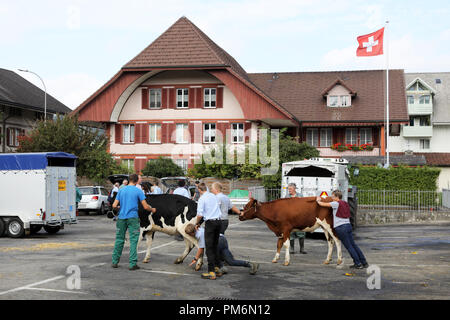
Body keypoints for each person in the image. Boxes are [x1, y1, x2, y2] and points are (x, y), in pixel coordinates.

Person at [111, 174, 156, 271]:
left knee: (119, 239)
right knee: (133, 240)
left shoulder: (121, 190)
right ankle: (132, 264)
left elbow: (114, 205)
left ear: (129, 180)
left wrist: (120, 207)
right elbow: (145, 206)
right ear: (136, 182)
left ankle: (115, 261)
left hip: (121, 218)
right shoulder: (138, 191)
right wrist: (152, 209)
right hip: (133, 218)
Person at [316, 190, 369, 269]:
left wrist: (318, 200)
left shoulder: (335, 203)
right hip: (348, 225)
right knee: (353, 245)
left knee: (349, 247)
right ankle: (364, 262)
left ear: (337, 197)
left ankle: (357, 263)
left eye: (333, 196)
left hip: (341, 227)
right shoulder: (345, 203)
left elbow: (322, 204)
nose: (332, 197)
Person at [185, 224, 259, 275]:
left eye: (189, 234)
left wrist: (195, 259)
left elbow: (201, 249)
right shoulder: (199, 228)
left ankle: (221, 268)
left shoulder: (199, 235)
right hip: (222, 239)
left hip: (217, 242)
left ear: (192, 233)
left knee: (210, 254)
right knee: (231, 261)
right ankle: (251, 264)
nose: (189, 236)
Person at [194, 182, 222, 280]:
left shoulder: (202, 199)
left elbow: (200, 215)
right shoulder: (213, 196)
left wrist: (196, 223)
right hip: (219, 222)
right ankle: (217, 268)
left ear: (199, 190)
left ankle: (211, 272)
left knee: (209, 248)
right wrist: (199, 223)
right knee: (215, 246)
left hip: (210, 224)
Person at [286, 183, 307, 254]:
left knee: (301, 232)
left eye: (290, 189)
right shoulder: (287, 196)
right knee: (291, 233)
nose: (289, 190)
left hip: (299, 217)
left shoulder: (300, 196)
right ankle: (292, 249)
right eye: (288, 189)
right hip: (290, 218)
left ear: (294, 189)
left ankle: (302, 249)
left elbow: (303, 205)